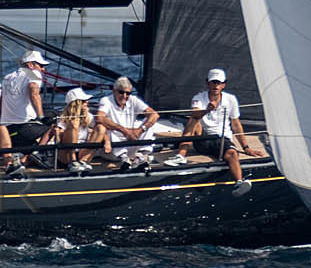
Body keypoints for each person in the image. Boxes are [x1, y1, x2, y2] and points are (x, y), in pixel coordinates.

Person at [167, 68, 261, 197]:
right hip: (202, 139)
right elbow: (194, 114)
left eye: (219, 82)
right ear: (207, 83)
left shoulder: (231, 99)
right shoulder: (198, 98)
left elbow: (236, 124)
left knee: (233, 154)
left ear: (224, 84)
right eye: (213, 82)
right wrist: (206, 110)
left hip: (222, 139)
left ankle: (239, 182)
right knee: (194, 120)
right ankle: (180, 156)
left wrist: (246, 148)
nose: (216, 85)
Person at [97, 77, 159, 166]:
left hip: (131, 141)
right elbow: (99, 117)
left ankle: (141, 156)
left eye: (128, 93)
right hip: (113, 148)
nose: (124, 96)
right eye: (121, 92)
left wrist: (139, 130)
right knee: (107, 129)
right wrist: (124, 130)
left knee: (149, 123)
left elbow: (154, 115)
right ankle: (124, 159)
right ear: (114, 91)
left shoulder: (133, 99)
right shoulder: (106, 100)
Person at [42, 88, 108, 173]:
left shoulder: (88, 116)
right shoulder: (63, 118)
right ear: (76, 104)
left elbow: (100, 130)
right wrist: (58, 133)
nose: (87, 103)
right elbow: (58, 139)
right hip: (66, 154)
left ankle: (83, 161)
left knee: (101, 127)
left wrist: (107, 141)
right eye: (83, 101)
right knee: (74, 123)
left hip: (82, 152)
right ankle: (73, 162)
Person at [0, 50, 49, 146]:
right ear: (30, 65)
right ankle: (35, 154)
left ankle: (29, 155)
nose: (43, 69)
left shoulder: (7, 77)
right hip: (24, 128)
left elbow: (0, 105)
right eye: (41, 66)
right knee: (54, 128)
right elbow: (34, 93)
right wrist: (41, 117)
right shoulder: (34, 73)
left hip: (7, 130)